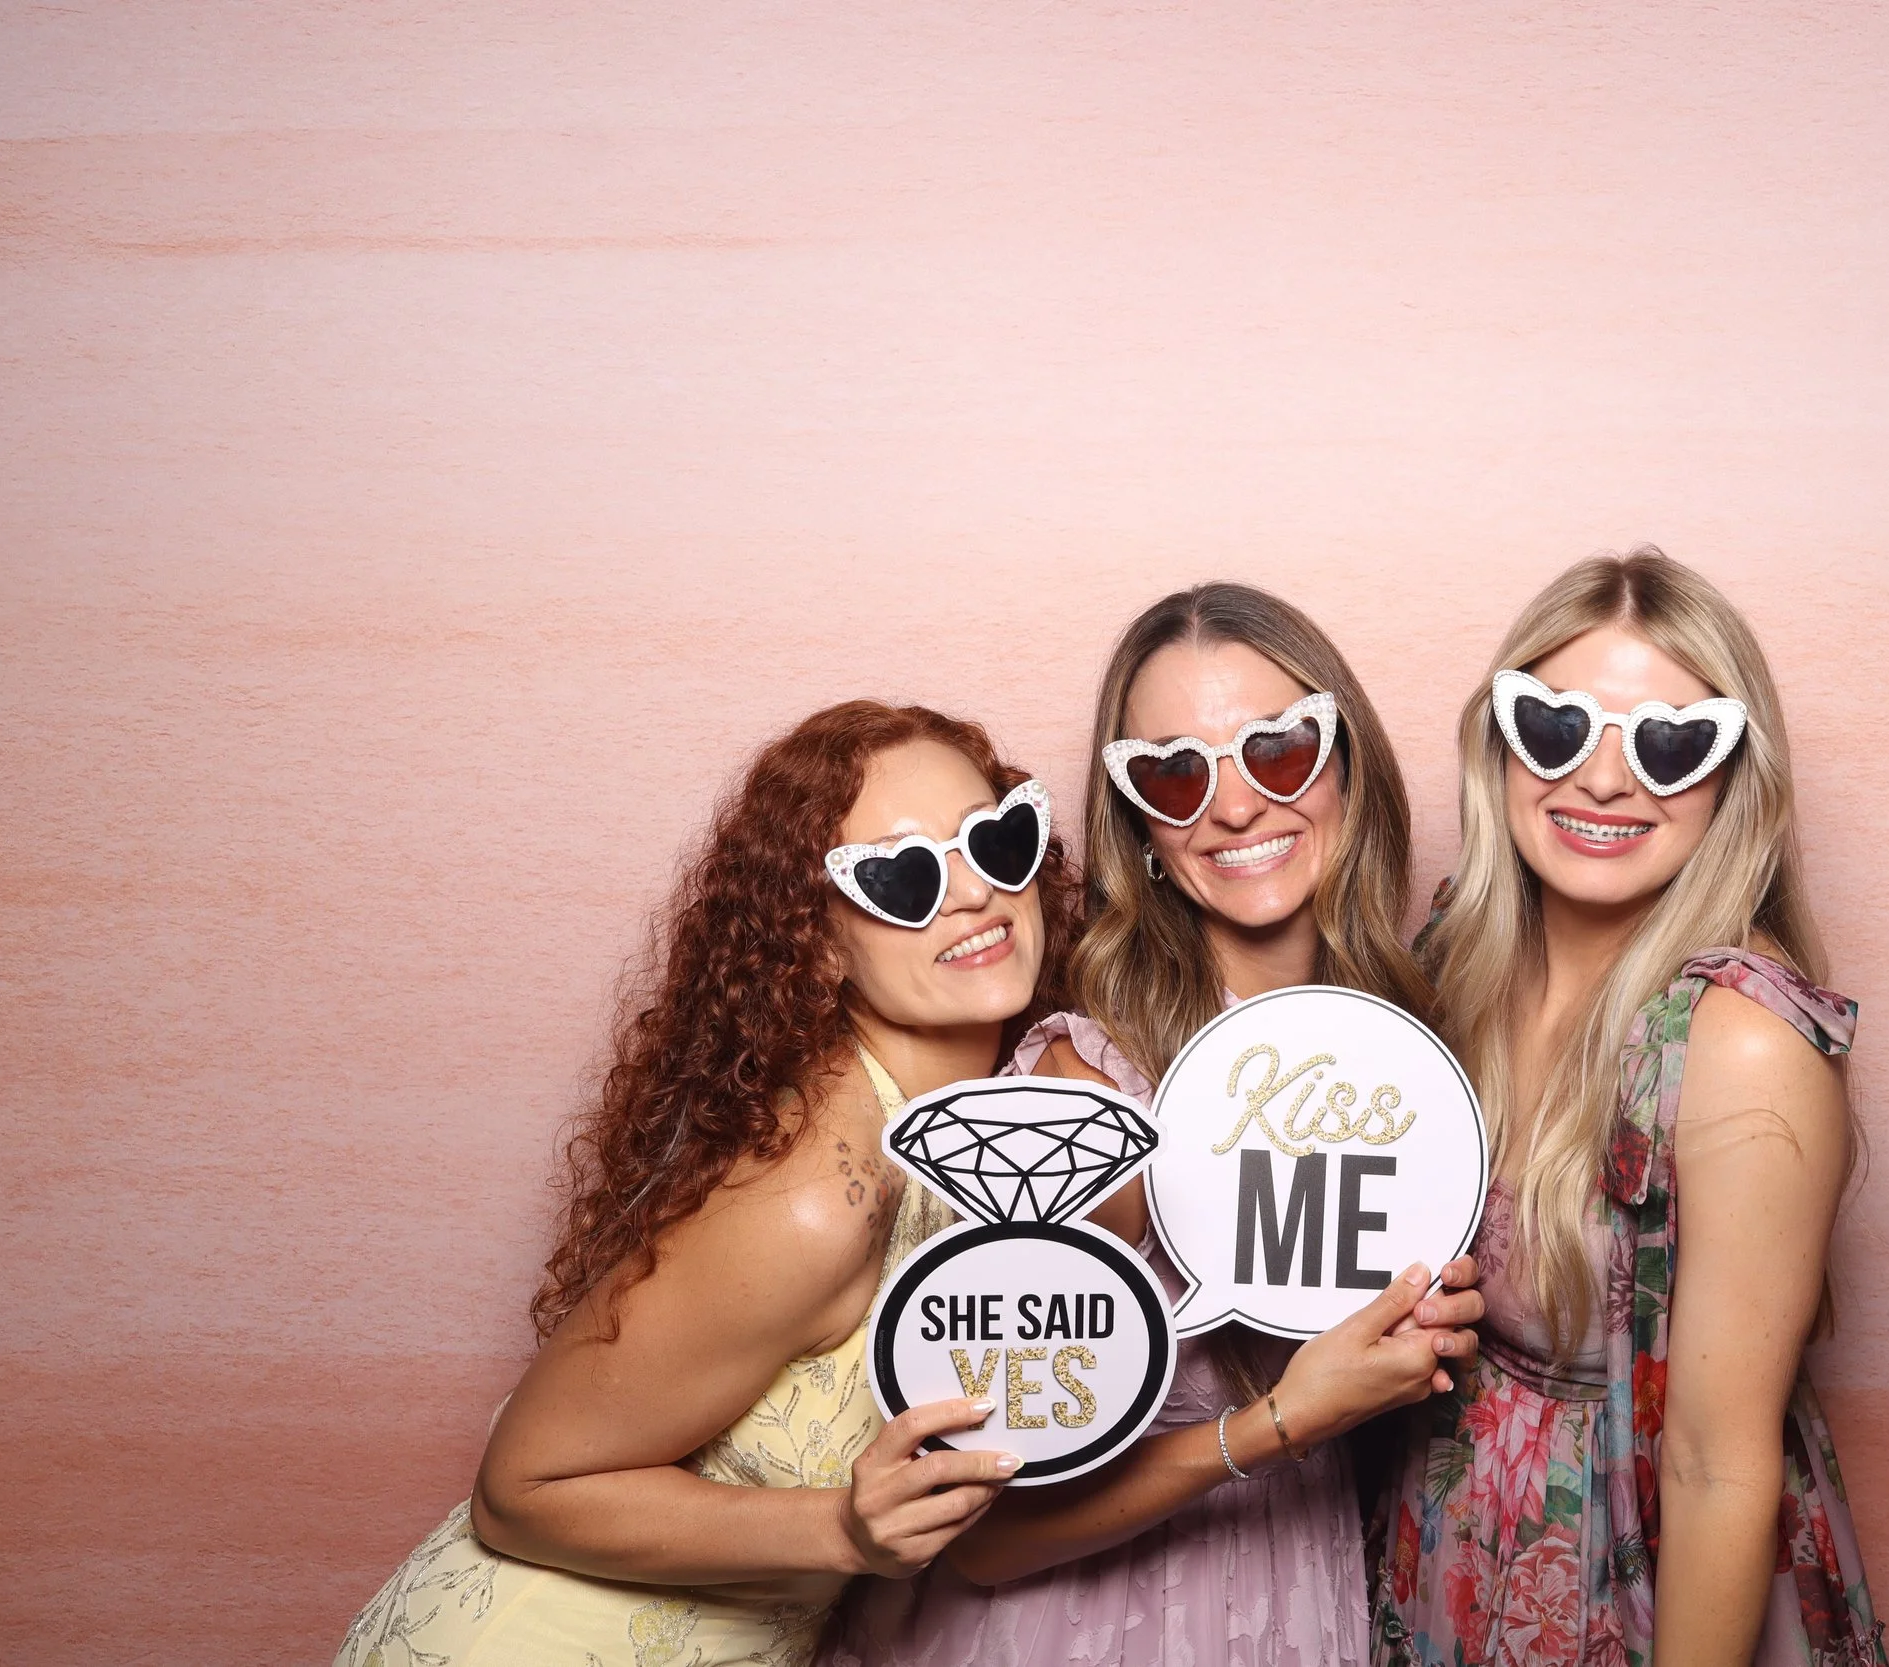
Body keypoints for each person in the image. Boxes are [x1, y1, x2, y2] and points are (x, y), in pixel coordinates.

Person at [337, 701, 1084, 1667]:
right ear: (816, 943)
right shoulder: (816, 1193)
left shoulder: (972, 1124)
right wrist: (842, 1534)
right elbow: (523, 1487)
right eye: (903, 876)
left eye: (997, 838)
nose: (975, 893)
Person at [831, 584, 1482, 1667]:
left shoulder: (1399, 1060)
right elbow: (981, 1536)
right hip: (1089, 1629)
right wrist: (1279, 1421)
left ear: (1347, 769)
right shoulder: (1087, 1092)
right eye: (1174, 771)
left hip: (1298, 1591)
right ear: (1136, 822)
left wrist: (1418, 1331)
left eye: (1276, 750)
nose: (1232, 807)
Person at [1373, 549, 1886, 1667]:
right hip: (1452, 1542)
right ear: (1500, 744)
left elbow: (1716, 1462)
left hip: (1635, 1580)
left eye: (1665, 743)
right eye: (1556, 727)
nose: (1604, 780)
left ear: (1731, 775)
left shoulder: (1739, 1041)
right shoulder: (1451, 961)